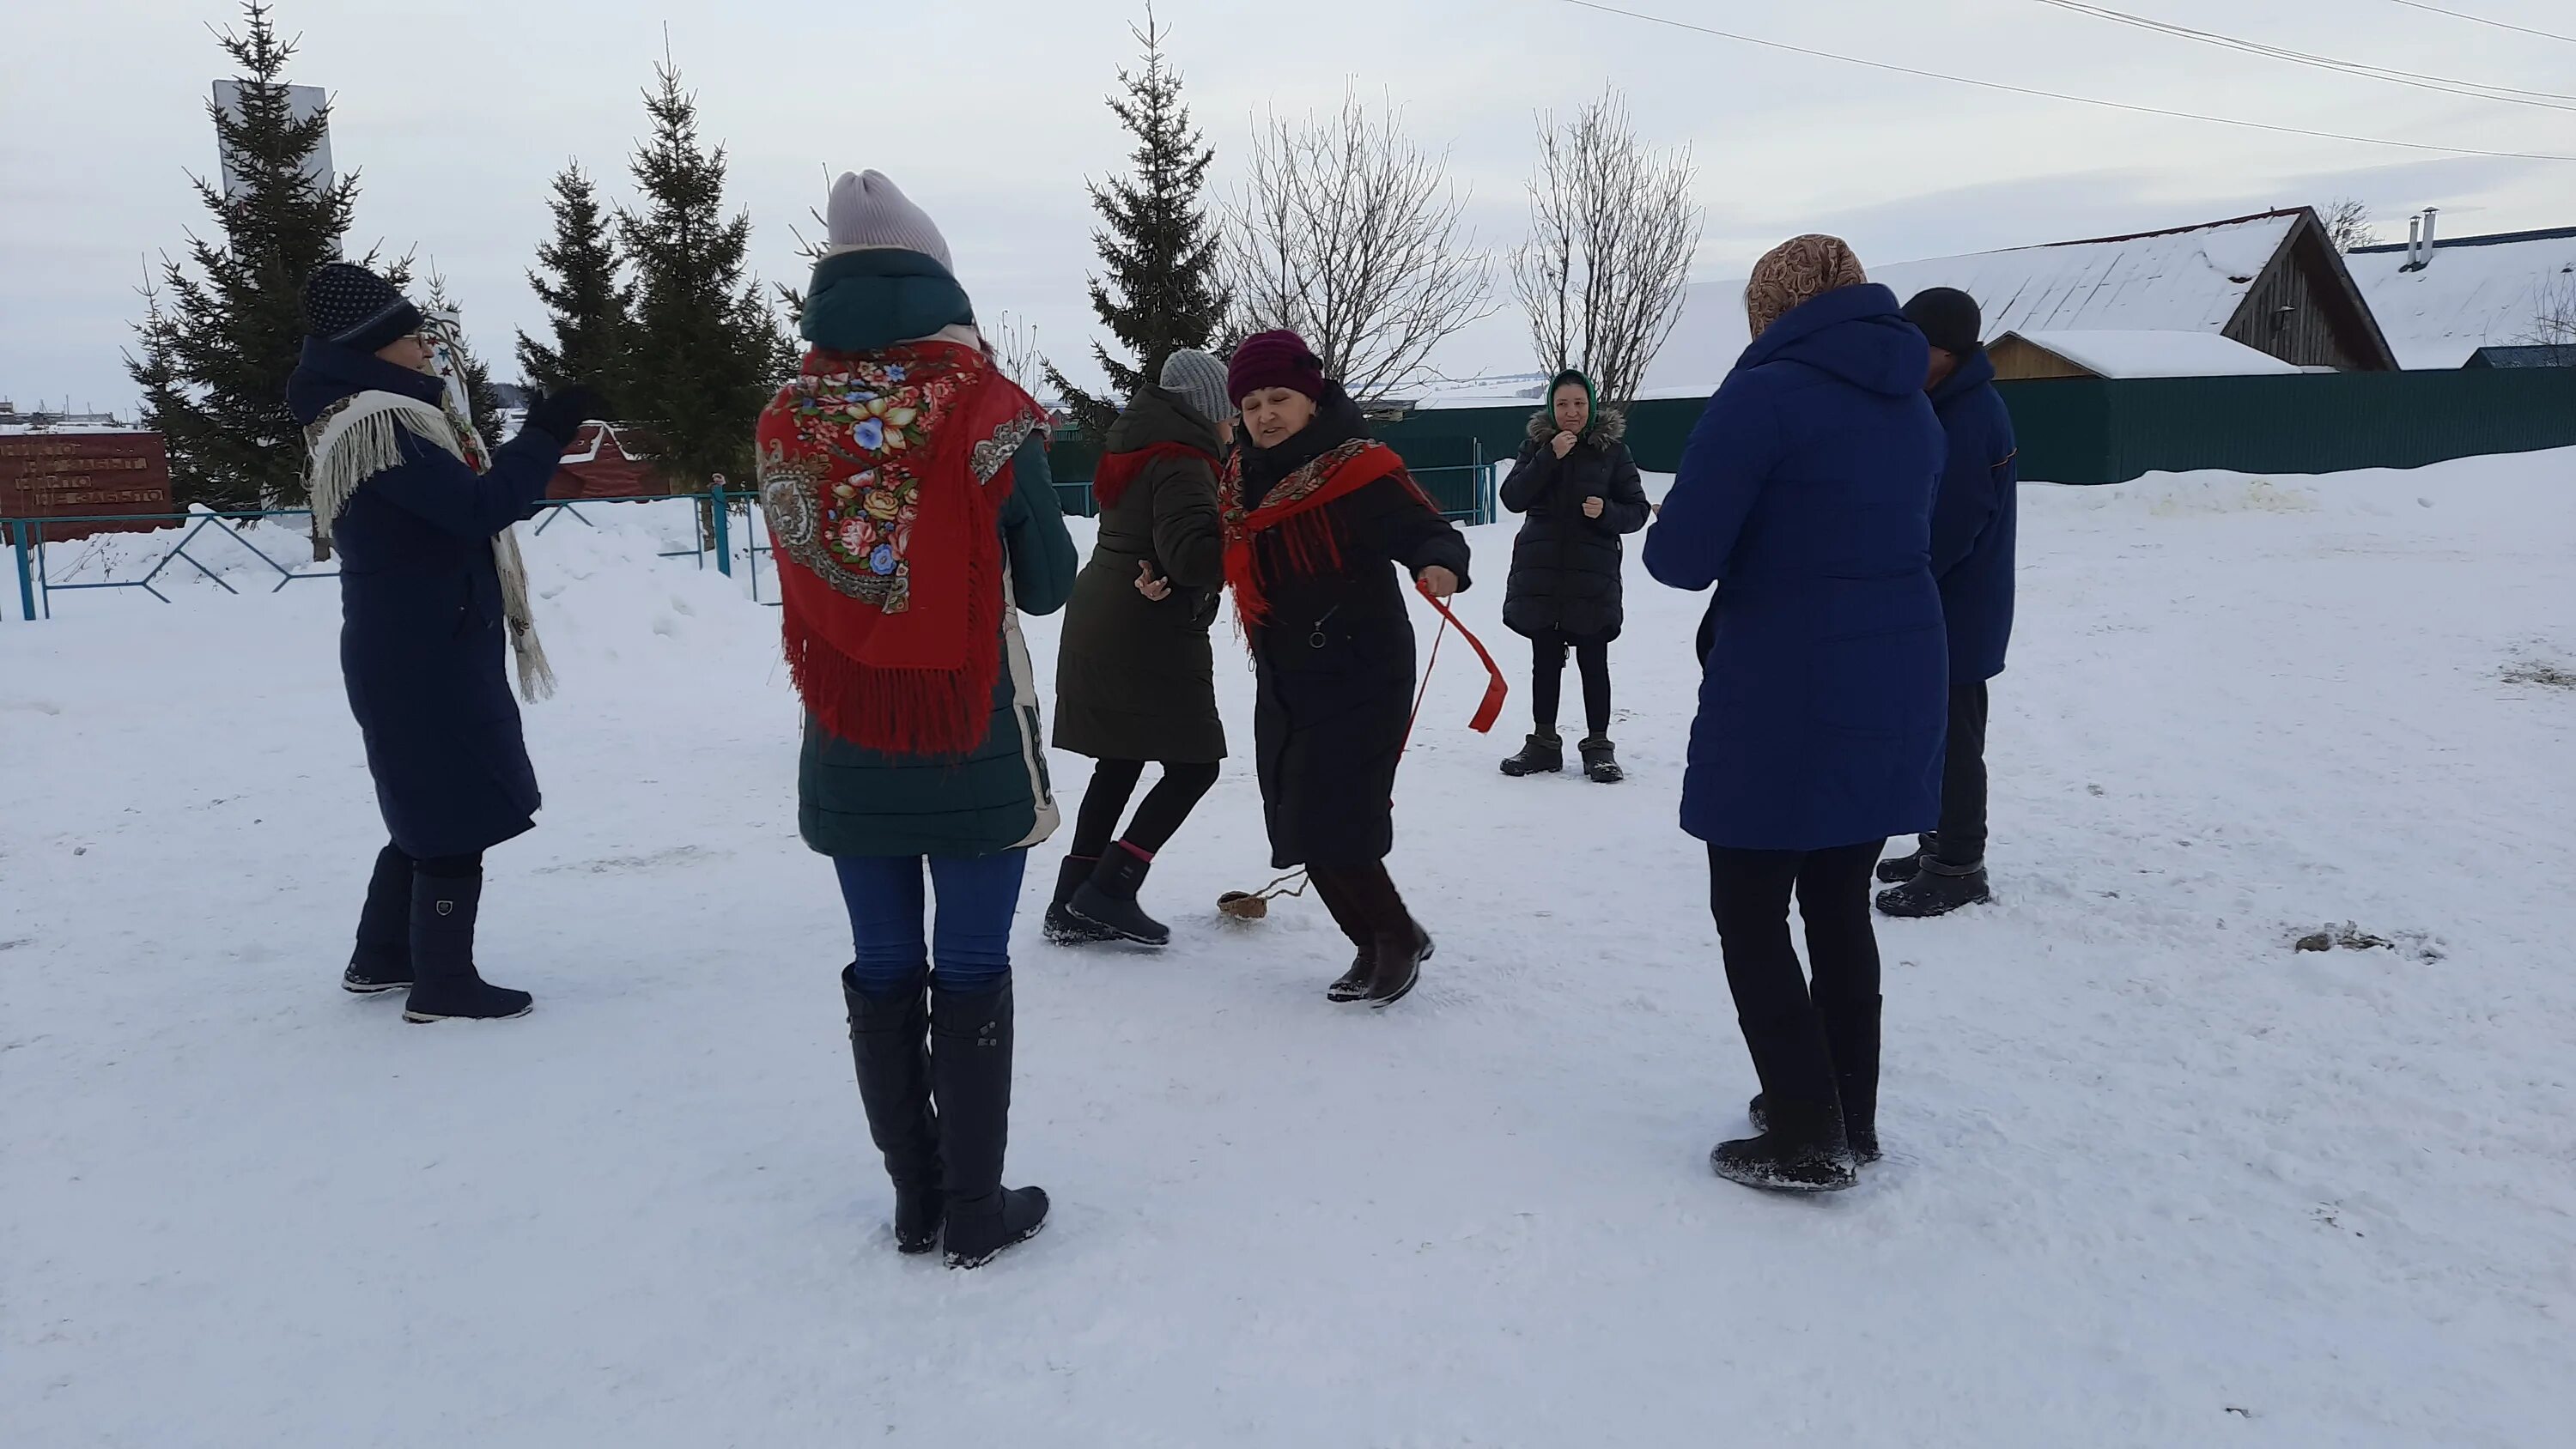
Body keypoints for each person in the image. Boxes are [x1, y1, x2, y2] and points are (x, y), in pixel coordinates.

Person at [757, 171, 1078, 1269]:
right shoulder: (986, 412)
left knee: (884, 959)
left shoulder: (788, 419)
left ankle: (916, 1197)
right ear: (939, 284)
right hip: (967, 721)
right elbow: (1049, 585)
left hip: (847, 727)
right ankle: (975, 1207)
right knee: (973, 959)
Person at [1643, 235, 1947, 1192]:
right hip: (1896, 671)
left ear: (1768, 310)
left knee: (1749, 905)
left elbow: (1681, 558)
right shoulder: (1912, 399)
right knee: (1837, 902)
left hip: (1787, 682)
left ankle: (1807, 1134)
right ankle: (1846, 1111)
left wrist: (1679, 513)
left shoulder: (1763, 395)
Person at [285, 261, 601, 1024]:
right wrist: (545, 434)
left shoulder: (367, 414)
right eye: (412, 337)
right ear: (373, 348)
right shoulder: (381, 426)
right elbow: (480, 508)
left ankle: (383, 956)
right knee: (450, 810)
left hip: (419, 637)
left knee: (426, 801)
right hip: (424, 648)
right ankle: (444, 983)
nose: (428, 347)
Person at [1221, 330, 1471, 1007]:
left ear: (1312, 398)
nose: (1265, 415)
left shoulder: (1356, 469)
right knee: (1298, 817)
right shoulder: (1241, 479)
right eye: (1251, 405)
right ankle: (1371, 940)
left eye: (1279, 398)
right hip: (1286, 673)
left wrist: (1439, 562)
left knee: (1338, 814)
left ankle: (1395, 935)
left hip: (1362, 668)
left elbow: (1428, 528)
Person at [1044, 349, 1234, 947]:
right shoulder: (1184, 459)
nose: (1237, 422)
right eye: (1231, 409)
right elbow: (1191, 555)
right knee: (1195, 765)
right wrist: (1248, 536)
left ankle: (1071, 901)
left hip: (1107, 612)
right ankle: (1110, 890)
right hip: (1146, 629)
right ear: (1207, 408)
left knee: (1121, 758)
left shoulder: (1134, 444)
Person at [1876, 287, 2018, 919]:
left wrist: (1898, 584)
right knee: (1936, 734)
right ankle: (1937, 840)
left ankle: (1960, 865)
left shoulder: (1969, 416)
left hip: (1958, 611)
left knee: (1956, 739)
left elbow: (1950, 526)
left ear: (1949, 352)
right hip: (1944, 607)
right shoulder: (1945, 402)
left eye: (1918, 345)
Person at [1497, 367, 1651, 783]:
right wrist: (1549, 456)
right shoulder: (1535, 447)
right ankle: (1543, 744)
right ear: (1551, 407)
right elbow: (1512, 498)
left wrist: (1607, 512)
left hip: (1591, 574)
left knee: (1593, 659)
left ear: (1591, 406)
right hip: (1542, 572)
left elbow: (1637, 510)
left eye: (1579, 403)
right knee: (1544, 659)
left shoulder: (1613, 451)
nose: (1571, 412)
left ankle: (1599, 747)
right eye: (1563, 404)